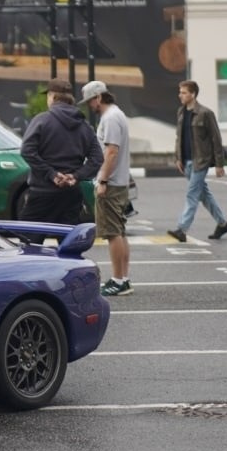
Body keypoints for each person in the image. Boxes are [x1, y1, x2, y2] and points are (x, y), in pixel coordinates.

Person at [19, 76, 103, 225]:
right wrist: (76, 176)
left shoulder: (42, 120)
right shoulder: (84, 125)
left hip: (42, 193)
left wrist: (52, 174)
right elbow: (97, 159)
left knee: (30, 242)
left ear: (52, 96)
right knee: (68, 244)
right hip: (71, 195)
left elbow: (27, 150)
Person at [80, 80, 132, 297]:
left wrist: (102, 180)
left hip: (110, 183)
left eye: (91, 101)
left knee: (112, 233)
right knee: (119, 231)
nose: (90, 106)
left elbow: (111, 152)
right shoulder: (118, 115)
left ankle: (118, 280)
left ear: (99, 97)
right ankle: (124, 278)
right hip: (119, 181)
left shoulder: (110, 118)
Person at [169, 80, 227, 242]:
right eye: (180, 92)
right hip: (187, 162)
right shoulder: (181, 112)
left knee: (192, 194)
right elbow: (179, 137)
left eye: (183, 92)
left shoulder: (205, 113)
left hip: (201, 161)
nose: (180, 95)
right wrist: (178, 158)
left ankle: (182, 229)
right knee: (204, 195)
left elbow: (216, 139)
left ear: (193, 94)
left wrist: (219, 164)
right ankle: (222, 223)